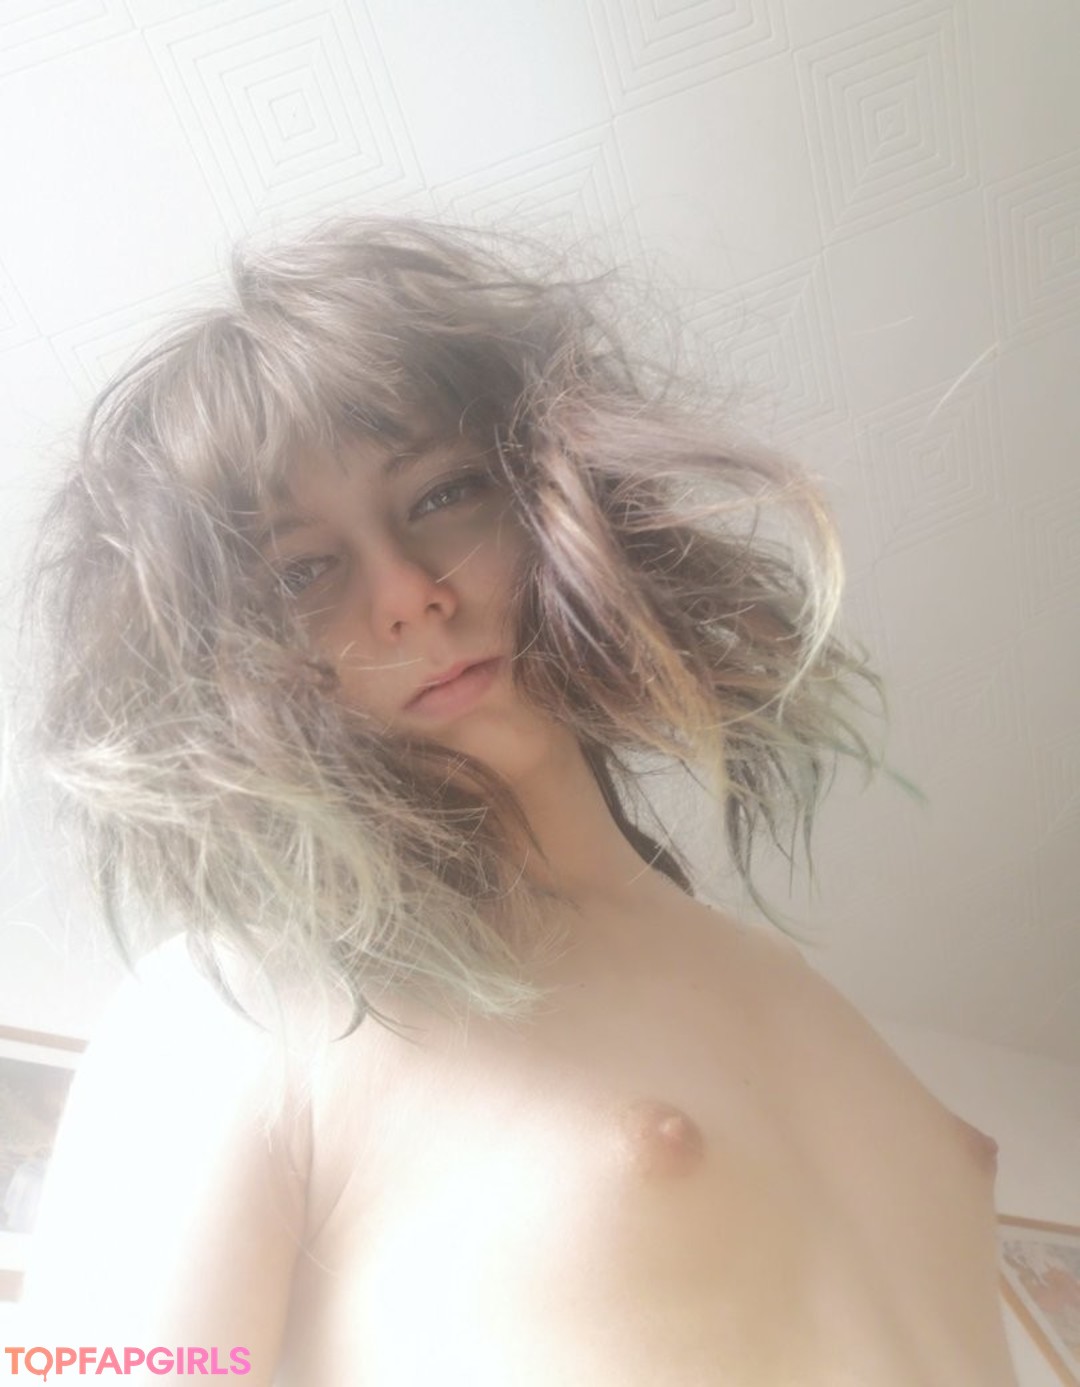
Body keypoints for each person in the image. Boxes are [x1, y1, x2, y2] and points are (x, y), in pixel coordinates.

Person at [19, 216, 1016, 1384]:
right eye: (304, 570)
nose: (408, 594)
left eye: (444, 494)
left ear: (554, 494)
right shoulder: (236, 1005)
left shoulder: (789, 979)